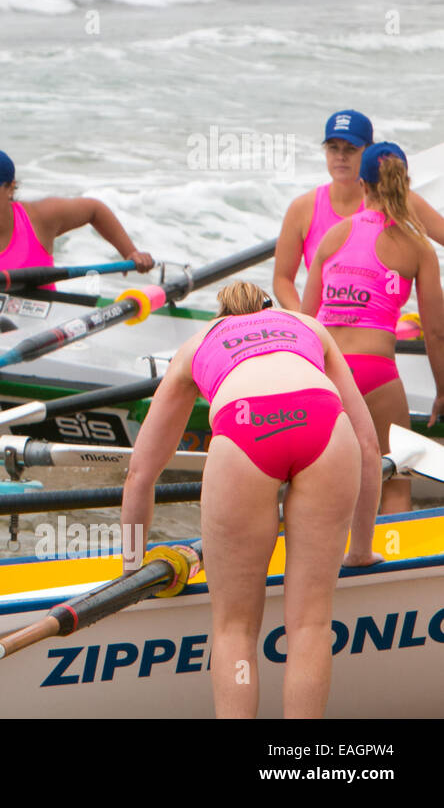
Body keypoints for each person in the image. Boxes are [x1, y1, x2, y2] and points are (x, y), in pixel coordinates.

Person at [120, 281, 385, 718]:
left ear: (220, 317)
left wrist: (131, 570)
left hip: (246, 432)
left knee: (235, 632)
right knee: (310, 625)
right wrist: (359, 551)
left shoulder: (195, 346)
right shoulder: (307, 325)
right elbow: (369, 448)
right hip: (323, 423)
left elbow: (140, 474)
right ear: (269, 308)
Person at [302, 143, 444, 514]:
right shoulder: (418, 247)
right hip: (376, 372)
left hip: (327, 371)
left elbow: (305, 320)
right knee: (395, 477)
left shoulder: (332, 237)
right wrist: (442, 392)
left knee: (315, 479)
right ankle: (390, 560)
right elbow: (436, 333)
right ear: (405, 183)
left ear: (362, 184)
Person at [273, 110, 444, 311]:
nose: (340, 157)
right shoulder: (302, 209)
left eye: (350, 149)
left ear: (369, 152)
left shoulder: (398, 200)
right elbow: (282, 280)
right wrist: (307, 323)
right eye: (333, 148)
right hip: (324, 324)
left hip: (381, 321)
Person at [0, 147, 155, 283]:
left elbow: (94, 210)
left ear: (10, 188)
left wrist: (130, 252)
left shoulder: (40, 218)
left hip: (44, 324)